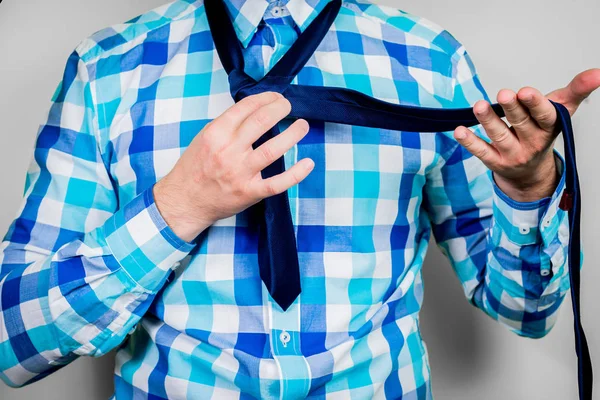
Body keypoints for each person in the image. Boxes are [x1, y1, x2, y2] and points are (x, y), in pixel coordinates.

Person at [0, 0, 598, 398]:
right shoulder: (109, 69)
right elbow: (13, 342)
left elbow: (527, 312)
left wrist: (527, 189)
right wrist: (177, 207)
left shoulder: (429, 62)